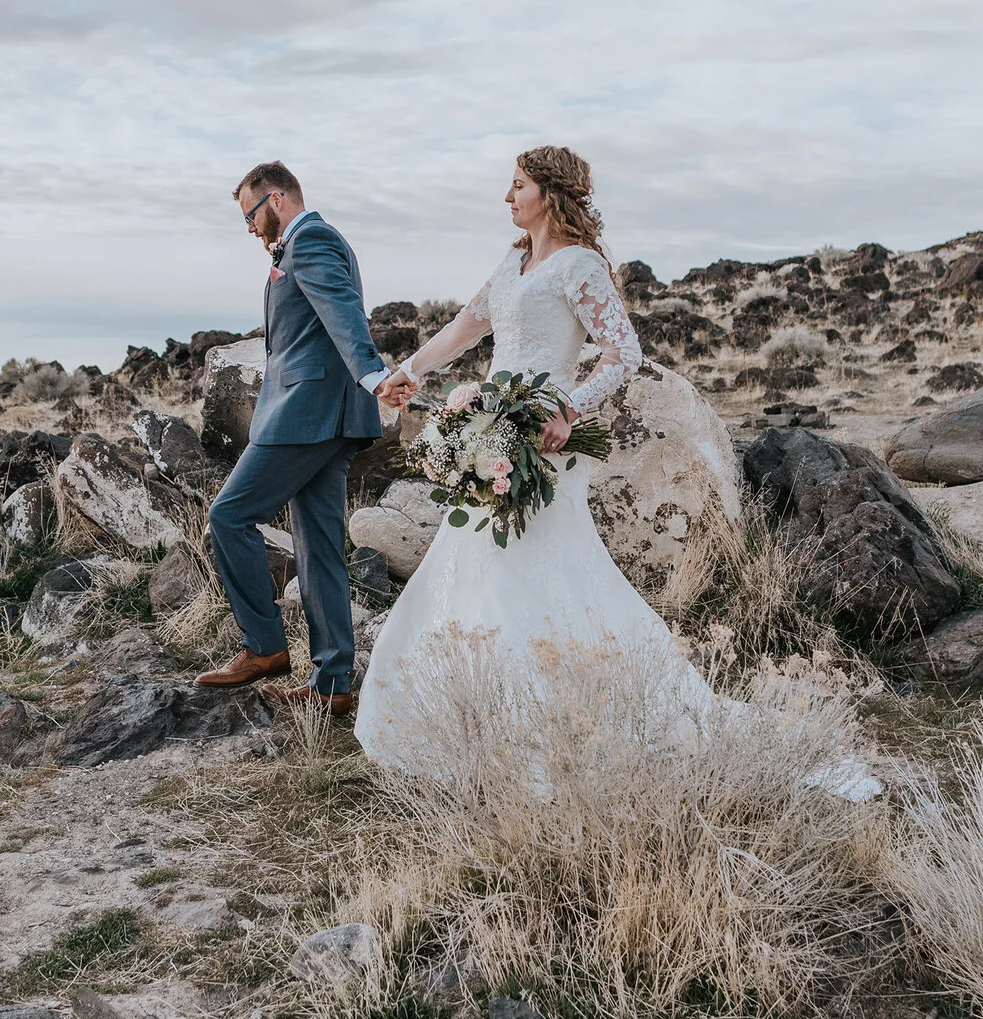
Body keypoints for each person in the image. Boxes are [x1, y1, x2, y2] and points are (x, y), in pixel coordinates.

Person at [355, 145, 721, 768]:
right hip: (489, 433)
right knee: (473, 565)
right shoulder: (513, 261)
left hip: (540, 440)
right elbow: (466, 328)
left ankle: (559, 720)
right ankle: (469, 715)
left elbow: (622, 352)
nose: (507, 196)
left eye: (517, 184)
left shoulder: (580, 267)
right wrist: (407, 372)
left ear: (548, 193)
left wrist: (569, 408)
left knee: (535, 569)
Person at [194, 161, 390, 715]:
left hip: (307, 411)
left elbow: (343, 313)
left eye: (251, 215)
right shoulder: (305, 244)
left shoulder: (313, 240)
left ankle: (264, 647)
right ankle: (333, 687)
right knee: (318, 547)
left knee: (229, 516)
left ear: (276, 199)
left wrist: (373, 374)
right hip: (326, 414)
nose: (251, 229)